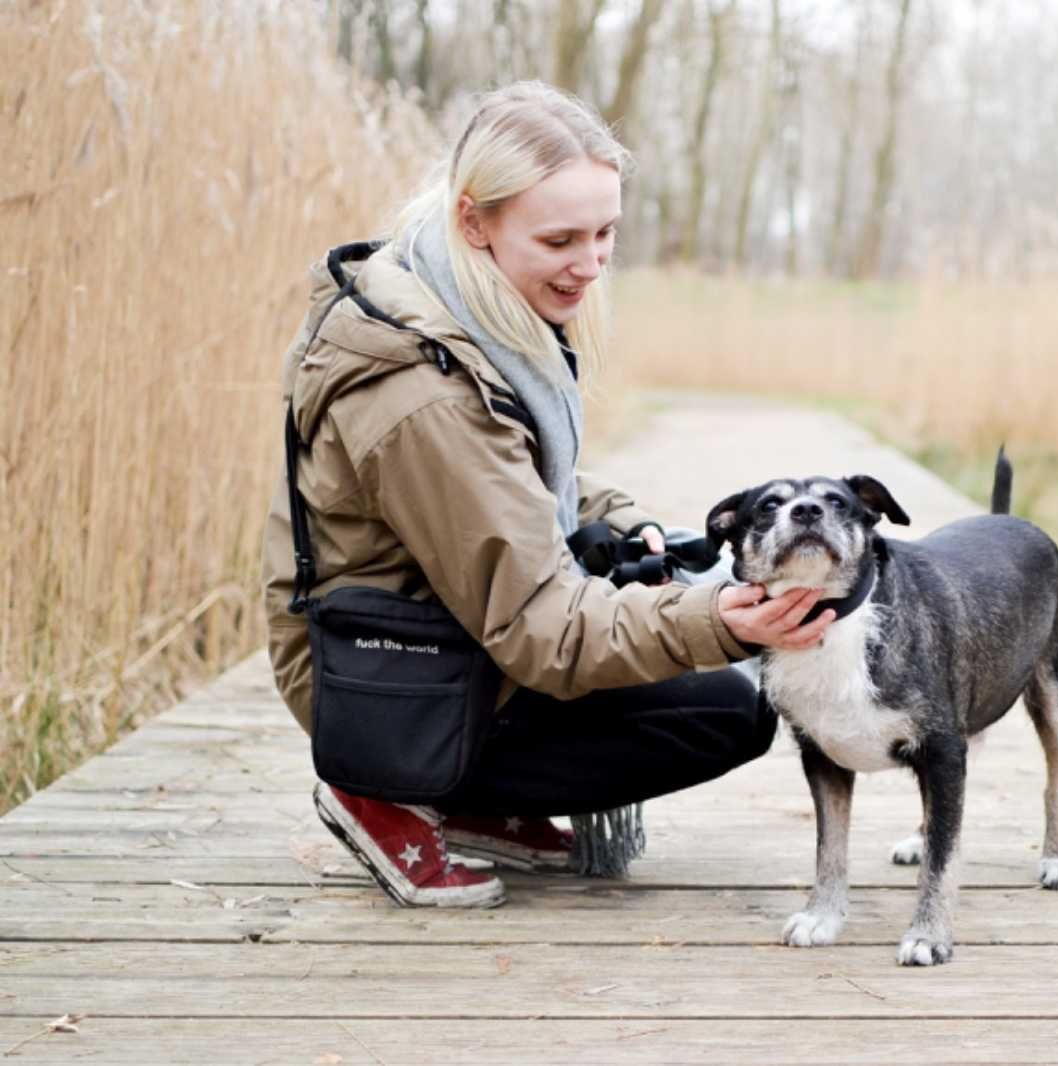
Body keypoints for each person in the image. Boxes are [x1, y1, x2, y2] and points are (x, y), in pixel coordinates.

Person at [261, 81, 834, 908]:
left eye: (606, 233)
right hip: (378, 682)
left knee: (716, 695)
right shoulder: (421, 391)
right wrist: (715, 620)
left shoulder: (455, 303)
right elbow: (544, 633)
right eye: (561, 238)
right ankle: (381, 786)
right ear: (473, 222)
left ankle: (469, 795)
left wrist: (627, 524)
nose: (591, 262)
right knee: (723, 711)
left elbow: (512, 481)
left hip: (434, 641)